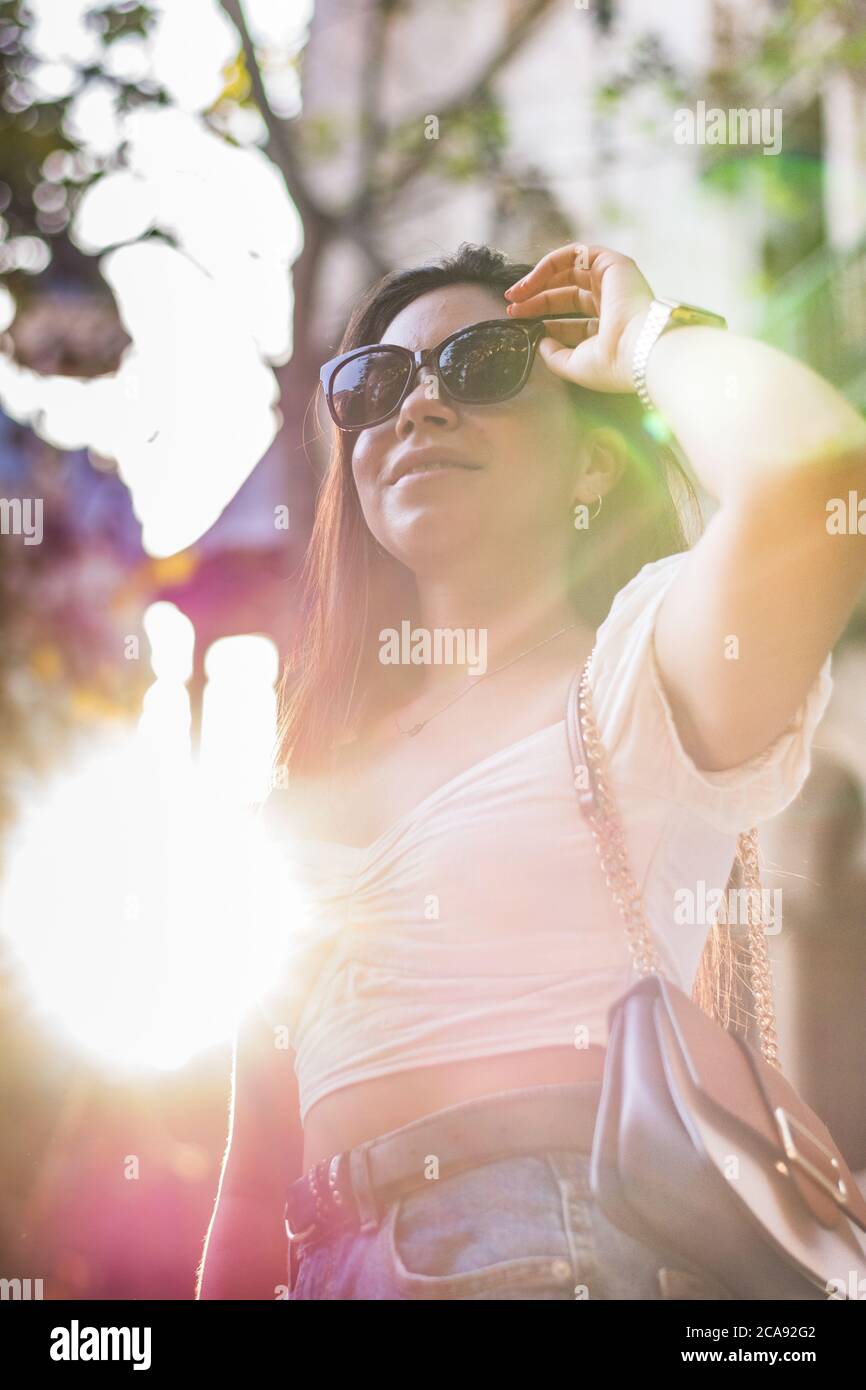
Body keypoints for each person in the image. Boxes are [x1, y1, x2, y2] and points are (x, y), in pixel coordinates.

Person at [197, 241, 866, 1300]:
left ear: (591, 464)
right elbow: (249, 1185)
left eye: (481, 367)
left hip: (546, 1252)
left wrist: (641, 332)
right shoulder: (301, 790)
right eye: (375, 385)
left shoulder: (637, 684)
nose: (417, 407)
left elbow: (817, 474)